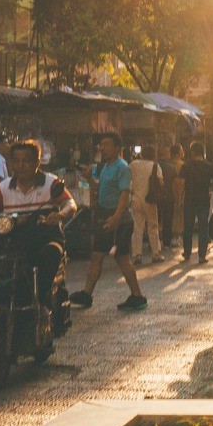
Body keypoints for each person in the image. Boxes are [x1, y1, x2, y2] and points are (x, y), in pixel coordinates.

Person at [0, 140, 78, 318]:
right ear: (11, 163)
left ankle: (42, 299)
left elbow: (70, 204)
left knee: (52, 253)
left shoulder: (51, 183)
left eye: (27, 161)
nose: (21, 165)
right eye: (17, 161)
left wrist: (60, 215)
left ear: (37, 163)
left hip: (46, 240)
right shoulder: (3, 188)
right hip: (13, 244)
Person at [71, 133, 146, 311]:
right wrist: (89, 178)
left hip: (118, 220)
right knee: (105, 257)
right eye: (101, 144)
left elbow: (124, 194)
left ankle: (136, 296)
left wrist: (116, 218)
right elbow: (100, 189)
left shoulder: (122, 167)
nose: (102, 148)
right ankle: (88, 294)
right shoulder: (106, 167)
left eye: (106, 144)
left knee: (115, 258)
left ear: (116, 148)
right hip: (106, 216)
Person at [128, 145, 164, 265]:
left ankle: (137, 255)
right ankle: (155, 253)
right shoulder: (155, 166)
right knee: (152, 226)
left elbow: (128, 178)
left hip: (136, 199)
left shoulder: (134, 164)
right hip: (150, 200)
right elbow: (160, 182)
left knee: (137, 227)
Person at [180, 140, 213, 262]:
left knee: (187, 227)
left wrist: (180, 199)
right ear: (203, 152)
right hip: (204, 200)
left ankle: (187, 253)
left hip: (189, 199)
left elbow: (182, 184)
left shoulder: (186, 166)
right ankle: (202, 256)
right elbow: (212, 184)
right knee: (203, 227)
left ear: (192, 152)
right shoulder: (209, 167)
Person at [154, 144, 179, 252]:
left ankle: (154, 242)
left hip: (155, 197)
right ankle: (166, 243)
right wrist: (177, 196)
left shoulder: (153, 166)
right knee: (168, 220)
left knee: (155, 220)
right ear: (167, 154)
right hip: (169, 196)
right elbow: (175, 183)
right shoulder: (171, 167)